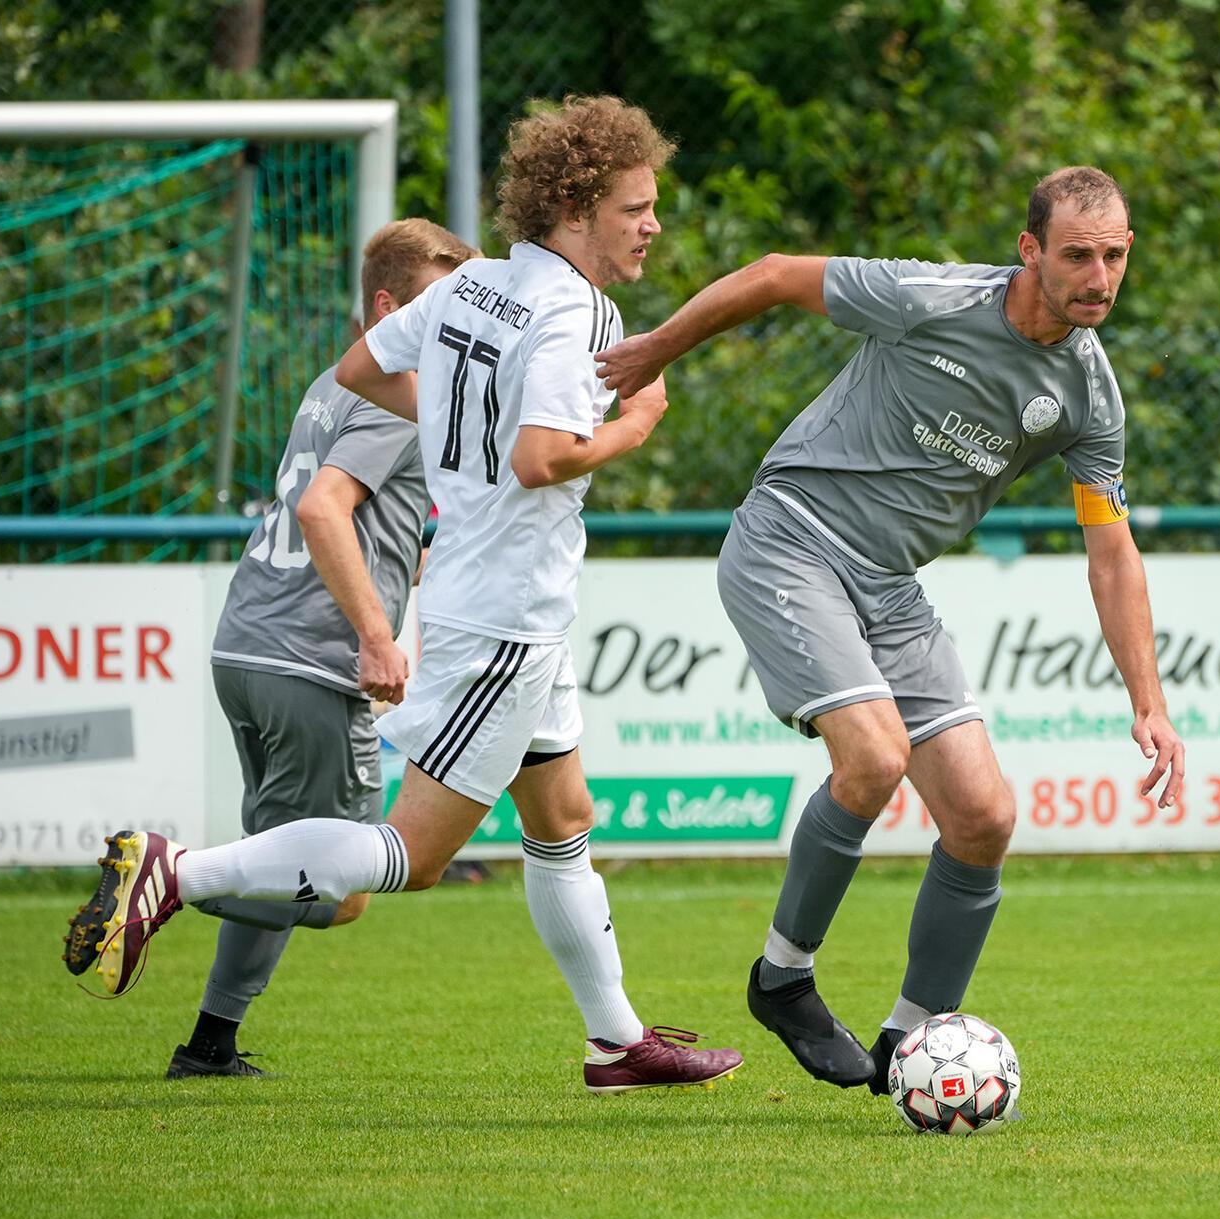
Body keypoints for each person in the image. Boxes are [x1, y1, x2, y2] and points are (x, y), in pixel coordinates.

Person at [63, 96, 743, 1092]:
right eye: (635, 206)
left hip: (508, 607)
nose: (650, 225)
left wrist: (457, 439)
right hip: (504, 615)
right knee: (410, 854)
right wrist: (636, 420)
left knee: (562, 818)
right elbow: (546, 453)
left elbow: (358, 370)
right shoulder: (576, 308)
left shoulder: (474, 287)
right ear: (575, 204)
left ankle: (616, 1039)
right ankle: (178, 871)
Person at [595, 165, 1185, 1092]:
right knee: (870, 758)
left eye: (1114, 256)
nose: (1099, 277)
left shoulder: (1088, 396)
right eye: (1078, 255)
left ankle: (908, 1043)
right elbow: (775, 273)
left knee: (985, 816)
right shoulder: (934, 297)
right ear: (1029, 250)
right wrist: (654, 350)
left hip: (890, 587)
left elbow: (1110, 550)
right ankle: (782, 976)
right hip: (791, 537)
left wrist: (1149, 703)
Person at [148, 219, 470, 1078]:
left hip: (249, 645)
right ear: (387, 305)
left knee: (281, 852)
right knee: (346, 886)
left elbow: (381, 523)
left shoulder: (338, 381)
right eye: (440, 308)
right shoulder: (396, 391)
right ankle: (171, 875)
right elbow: (324, 508)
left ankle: (210, 1041)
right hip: (306, 659)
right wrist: (376, 634)